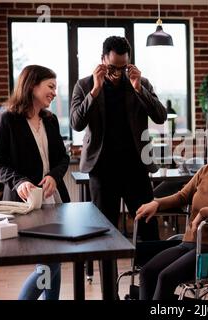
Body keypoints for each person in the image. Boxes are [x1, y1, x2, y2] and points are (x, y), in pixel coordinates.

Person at [136, 131, 208, 300]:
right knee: (148, 272)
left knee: (166, 277)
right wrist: (156, 203)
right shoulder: (205, 171)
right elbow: (182, 196)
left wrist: (204, 212)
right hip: (188, 243)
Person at [70, 36, 166, 241]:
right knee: (103, 232)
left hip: (136, 168)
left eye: (123, 68)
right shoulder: (85, 85)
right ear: (102, 60)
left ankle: (148, 272)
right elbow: (76, 123)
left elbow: (160, 116)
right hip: (102, 170)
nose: (117, 74)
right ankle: (108, 274)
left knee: (148, 228)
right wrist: (95, 91)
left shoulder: (140, 83)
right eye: (112, 68)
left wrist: (139, 88)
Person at [0, 65, 70, 300]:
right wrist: (19, 181)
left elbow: (63, 158)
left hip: (53, 201)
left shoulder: (50, 119)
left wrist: (54, 175)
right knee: (51, 262)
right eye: (50, 86)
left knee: (53, 258)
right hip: (23, 204)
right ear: (33, 85)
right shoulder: (7, 119)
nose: (55, 92)